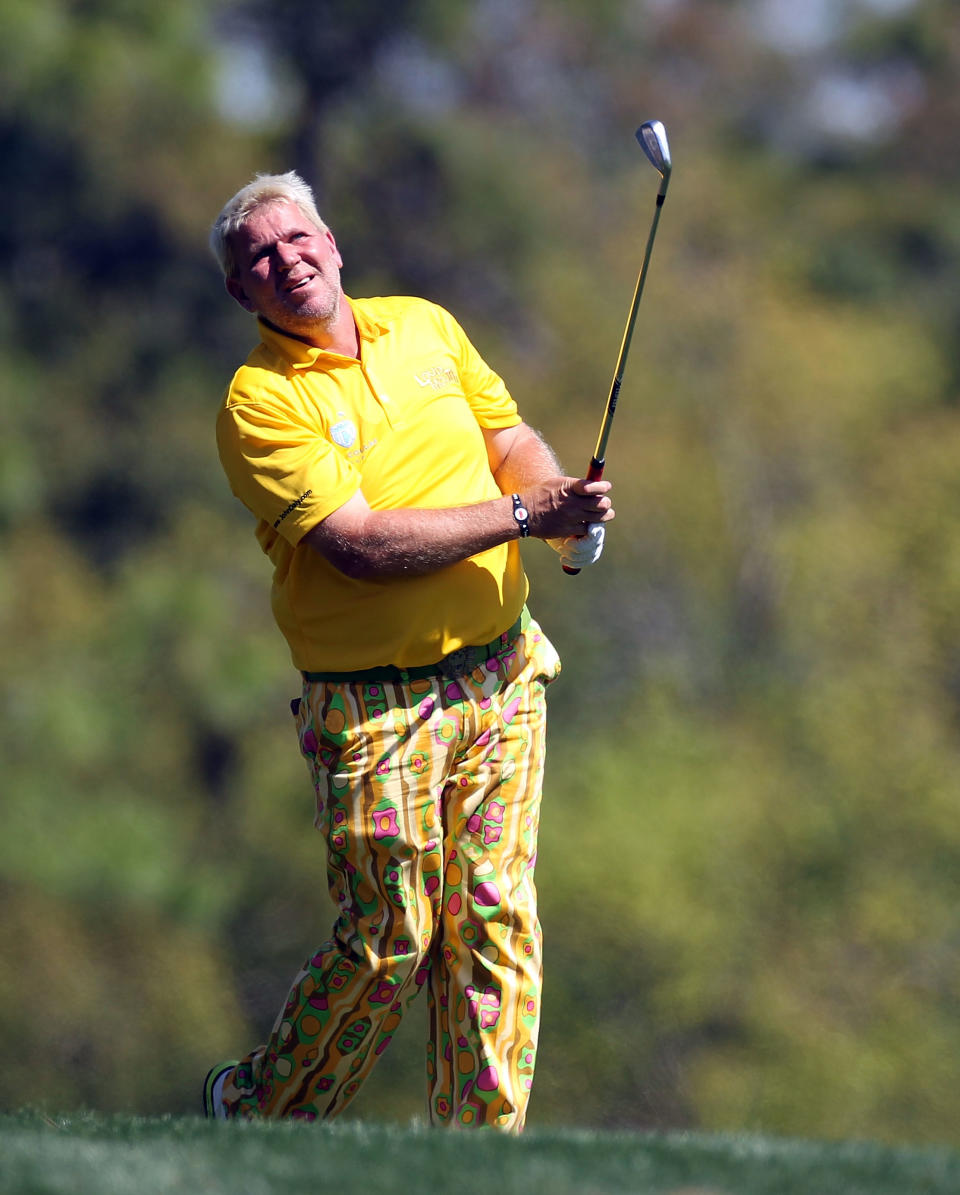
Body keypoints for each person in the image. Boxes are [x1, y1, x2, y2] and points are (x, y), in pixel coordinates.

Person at [203, 170, 613, 1132]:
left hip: (503, 672)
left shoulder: (425, 325)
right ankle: (262, 1113)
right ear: (241, 293)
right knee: (390, 937)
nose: (284, 261)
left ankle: (478, 1156)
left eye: (296, 240)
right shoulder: (258, 403)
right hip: (372, 705)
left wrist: (563, 520)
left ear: (332, 243)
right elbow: (362, 546)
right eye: (258, 257)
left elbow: (506, 438)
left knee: (497, 918)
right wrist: (523, 514)